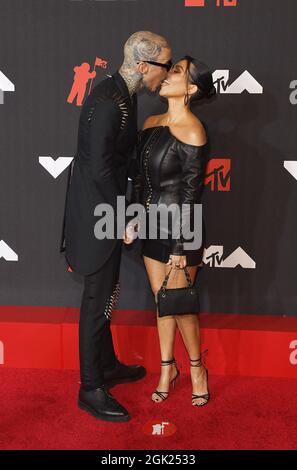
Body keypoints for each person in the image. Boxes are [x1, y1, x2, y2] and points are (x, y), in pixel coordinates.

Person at [60, 31, 173, 422]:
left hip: (104, 208)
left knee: (107, 292)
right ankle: (90, 387)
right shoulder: (110, 102)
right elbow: (97, 170)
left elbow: (113, 162)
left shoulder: (124, 94)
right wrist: (122, 217)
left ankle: (106, 366)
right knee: (96, 300)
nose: (167, 73)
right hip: (97, 216)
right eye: (165, 65)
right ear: (144, 66)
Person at [125, 56, 216, 407]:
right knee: (162, 303)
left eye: (175, 71)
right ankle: (167, 368)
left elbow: (192, 194)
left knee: (180, 306)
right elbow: (140, 182)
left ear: (190, 88)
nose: (166, 76)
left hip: (182, 229)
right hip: (150, 225)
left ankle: (197, 369)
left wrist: (181, 244)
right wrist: (131, 219)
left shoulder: (194, 129)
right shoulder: (150, 121)